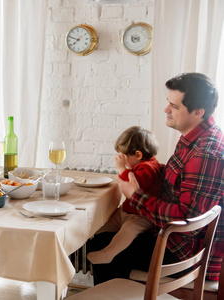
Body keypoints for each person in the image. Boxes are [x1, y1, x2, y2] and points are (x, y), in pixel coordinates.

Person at [90, 72, 224, 285]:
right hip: (172, 237)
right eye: (168, 103)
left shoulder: (205, 154)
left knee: (100, 245)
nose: (166, 110)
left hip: (183, 251)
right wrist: (147, 169)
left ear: (198, 112)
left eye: (175, 106)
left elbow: (185, 220)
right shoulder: (194, 136)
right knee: (105, 236)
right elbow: (178, 177)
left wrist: (135, 195)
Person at [87, 126, 162, 264]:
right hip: (126, 211)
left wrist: (121, 168)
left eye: (124, 156)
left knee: (127, 232)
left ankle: (108, 254)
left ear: (138, 155)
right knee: (101, 225)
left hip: (141, 217)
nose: (122, 160)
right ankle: (89, 240)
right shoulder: (145, 164)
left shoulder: (149, 168)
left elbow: (132, 185)